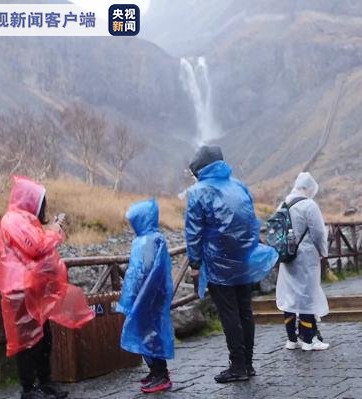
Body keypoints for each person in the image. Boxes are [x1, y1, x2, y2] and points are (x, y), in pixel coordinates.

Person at [185, 145, 278, 383]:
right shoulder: (239, 185)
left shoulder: (198, 191)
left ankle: (237, 366)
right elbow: (251, 222)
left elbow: (193, 231)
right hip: (244, 260)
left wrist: (194, 262)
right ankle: (247, 363)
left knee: (229, 314)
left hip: (217, 262)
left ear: (199, 169)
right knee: (245, 311)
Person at [0, 176, 94, 399]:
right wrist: (54, 229)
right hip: (18, 292)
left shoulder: (26, 220)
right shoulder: (13, 220)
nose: (44, 208)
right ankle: (28, 389)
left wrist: (51, 229)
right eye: (42, 203)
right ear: (31, 200)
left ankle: (45, 382)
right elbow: (37, 247)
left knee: (43, 338)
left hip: (34, 290)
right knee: (25, 342)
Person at [117, 199, 174, 394]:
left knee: (151, 334)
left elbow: (145, 271)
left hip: (149, 297)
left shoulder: (149, 240)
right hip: (146, 296)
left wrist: (135, 294)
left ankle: (161, 374)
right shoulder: (146, 239)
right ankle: (155, 371)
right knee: (146, 332)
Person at [275, 172, 330, 351]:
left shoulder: (282, 205)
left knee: (289, 295)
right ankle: (308, 339)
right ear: (308, 188)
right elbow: (318, 232)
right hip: (305, 257)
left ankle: (292, 339)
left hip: (286, 257)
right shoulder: (309, 205)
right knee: (306, 295)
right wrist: (323, 252)